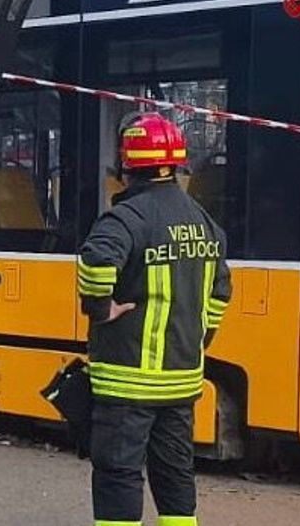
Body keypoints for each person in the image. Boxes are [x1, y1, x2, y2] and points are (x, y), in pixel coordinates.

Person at [77, 110, 232, 526]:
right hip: (181, 377)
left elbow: (95, 263)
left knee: (118, 472)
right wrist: (200, 338)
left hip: (128, 378)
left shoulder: (125, 218)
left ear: (128, 166)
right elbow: (220, 292)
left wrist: (101, 309)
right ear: (178, 165)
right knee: (174, 471)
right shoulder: (204, 222)